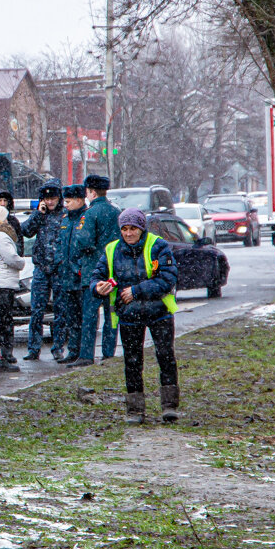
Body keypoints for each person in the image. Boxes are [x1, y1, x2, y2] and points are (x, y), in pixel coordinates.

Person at [89, 208, 180, 424]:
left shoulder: (158, 246)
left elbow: (168, 279)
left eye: (133, 229)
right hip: (129, 315)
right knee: (131, 362)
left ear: (141, 229)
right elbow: (97, 276)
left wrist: (136, 291)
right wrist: (98, 287)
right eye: (125, 229)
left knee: (165, 357)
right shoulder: (112, 250)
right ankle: (135, 409)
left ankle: (169, 406)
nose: (129, 234)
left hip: (159, 312)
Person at [70, 174, 122, 366]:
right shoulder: (116, 212)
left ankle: (86, 355)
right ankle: (109, 353)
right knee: (112, 315)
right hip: (114, 271)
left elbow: (83, 241)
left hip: (93, 271)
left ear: (91, 192)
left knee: (90, 316)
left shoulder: (89, 214)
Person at [19, 178, 63, 361]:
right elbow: (26, 230)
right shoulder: (40, 214)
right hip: (41, 268)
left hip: (59, 268)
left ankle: (58, 347)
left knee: (60, 311)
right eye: (47, 199)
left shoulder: (65, 215)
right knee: (37, 311)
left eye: (53, 198)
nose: (50, 202)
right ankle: (33, 348)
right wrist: (38, 214)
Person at [0, 203, 24, 373]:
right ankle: (3, 358)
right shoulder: (0, 235)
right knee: (4, 323)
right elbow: (12, 258)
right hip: (3, 284)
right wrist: (22, 262)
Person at [53, 184, 88, 364]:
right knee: (71, 317)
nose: (65, 205)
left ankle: (83, 351)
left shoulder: (86, 217)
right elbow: (59, 243)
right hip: (66, 277)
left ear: (79, 200)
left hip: (80, 276)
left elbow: (88, 246)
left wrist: (79, 267)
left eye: (68, 201)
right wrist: (60, 260)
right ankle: (73, 350)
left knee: (83, 317)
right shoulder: (66, 219)